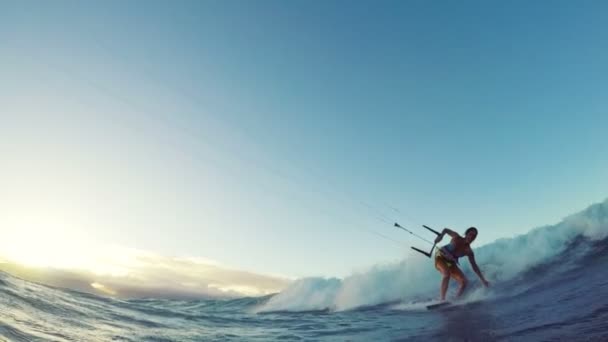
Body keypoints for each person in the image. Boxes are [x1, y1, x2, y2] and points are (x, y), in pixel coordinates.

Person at [434, 227, 489, 301]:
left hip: (451, 263)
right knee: (447, 274)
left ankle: (456, 300)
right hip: (440, 257)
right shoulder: (456, 237)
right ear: (466, 234)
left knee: (464, 282)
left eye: (474, 236)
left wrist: (483, 280)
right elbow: (445, 230)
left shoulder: (469, 251)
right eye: (471, 234)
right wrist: (440, 237)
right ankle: (442, 300)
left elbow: (475, 267)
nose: (472, 237)